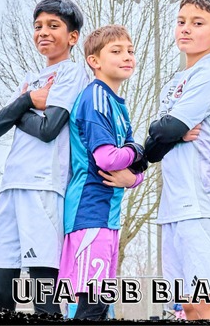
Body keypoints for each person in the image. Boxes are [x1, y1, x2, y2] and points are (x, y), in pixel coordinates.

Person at [0, 0, 88, 315]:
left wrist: (16, 111)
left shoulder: (72, 73)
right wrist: (28, 99)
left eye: (53, 26)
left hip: (43, 186)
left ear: (72, 36)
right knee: (1, 290)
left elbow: (48, 129)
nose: (43, 32)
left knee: (43, 291)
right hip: (10, 187)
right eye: (38, 26)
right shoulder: (29, 79)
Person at [142, 0, 210, 322]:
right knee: (189, 305)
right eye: (181, 21)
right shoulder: (174, 83)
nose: (186, 28)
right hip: (174, 205)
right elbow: (154, 147)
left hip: (205, 204)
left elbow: (167, 129)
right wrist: (166, 131)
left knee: (209, 302)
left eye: (197, 23)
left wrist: (168, 131)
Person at [59, 25, 148, 320]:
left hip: (109, 216)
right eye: (117, 51)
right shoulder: (95, 96)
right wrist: (138, 151)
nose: (127, 57)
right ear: (94, 61)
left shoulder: (118, 104)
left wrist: (133, 177)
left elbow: (134, 168)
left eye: (130, 51)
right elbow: (107, 158)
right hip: (90, 213)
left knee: (100, 305)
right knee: (91, 305)